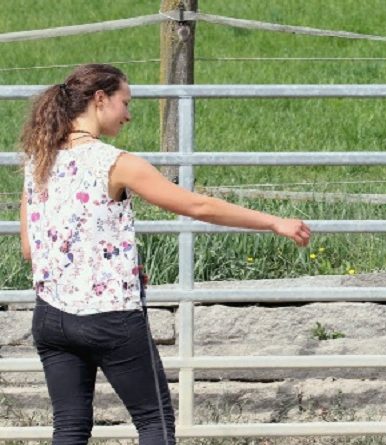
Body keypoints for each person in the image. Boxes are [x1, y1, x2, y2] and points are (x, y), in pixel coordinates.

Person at [18, 64, 311, 444]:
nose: (128, 113)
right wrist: (273, 222)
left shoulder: (37, 162)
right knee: (154, 423)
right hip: (110, 317)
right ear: (100, 99)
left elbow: (31, 249)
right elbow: (196, 206)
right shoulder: (116, 163)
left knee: (70, 428)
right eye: (125, 102)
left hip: (51, 318)